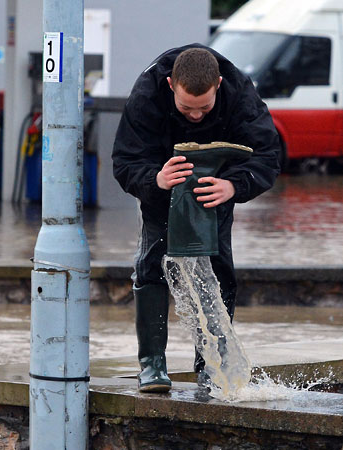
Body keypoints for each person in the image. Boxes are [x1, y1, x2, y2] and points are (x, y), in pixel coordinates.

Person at [112, 44, 280, 393]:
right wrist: (155, 180)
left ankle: (211, 367)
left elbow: (268, 155)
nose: (196, 116)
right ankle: (152, 365)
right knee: (151, 265)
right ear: (171, 84)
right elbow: (125, 162)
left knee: (220, 271)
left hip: (216, 190)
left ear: (219, 84)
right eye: (187, 107)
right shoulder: (146, 95)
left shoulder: (240, 95)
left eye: (205, 107)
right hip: (161, 188)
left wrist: (234, 186)